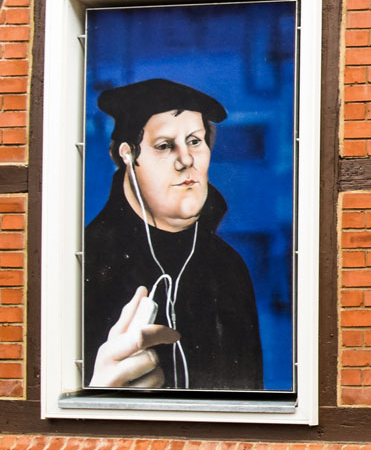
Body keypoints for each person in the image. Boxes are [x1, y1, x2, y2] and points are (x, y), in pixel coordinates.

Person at [83, 78, 263, 390]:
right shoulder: (88, 259)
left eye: (195, 141)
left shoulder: (228, 267)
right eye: (165, 146)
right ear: (128, 155)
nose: (186, 160)